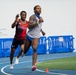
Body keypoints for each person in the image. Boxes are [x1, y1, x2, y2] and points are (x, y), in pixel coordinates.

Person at [18, 5, 45, 71]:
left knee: (35, 49)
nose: (39, 9)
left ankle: (33, 65)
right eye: (38, 8)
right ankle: (20, 54)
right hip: (29, 36)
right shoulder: (32, 17)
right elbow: (29, 26)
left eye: (40, 8)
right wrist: (38, 22)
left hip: (36, 36)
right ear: (34, 10)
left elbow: (38, 27)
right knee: (25, 51)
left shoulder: (41, 18)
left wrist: (42, 31)